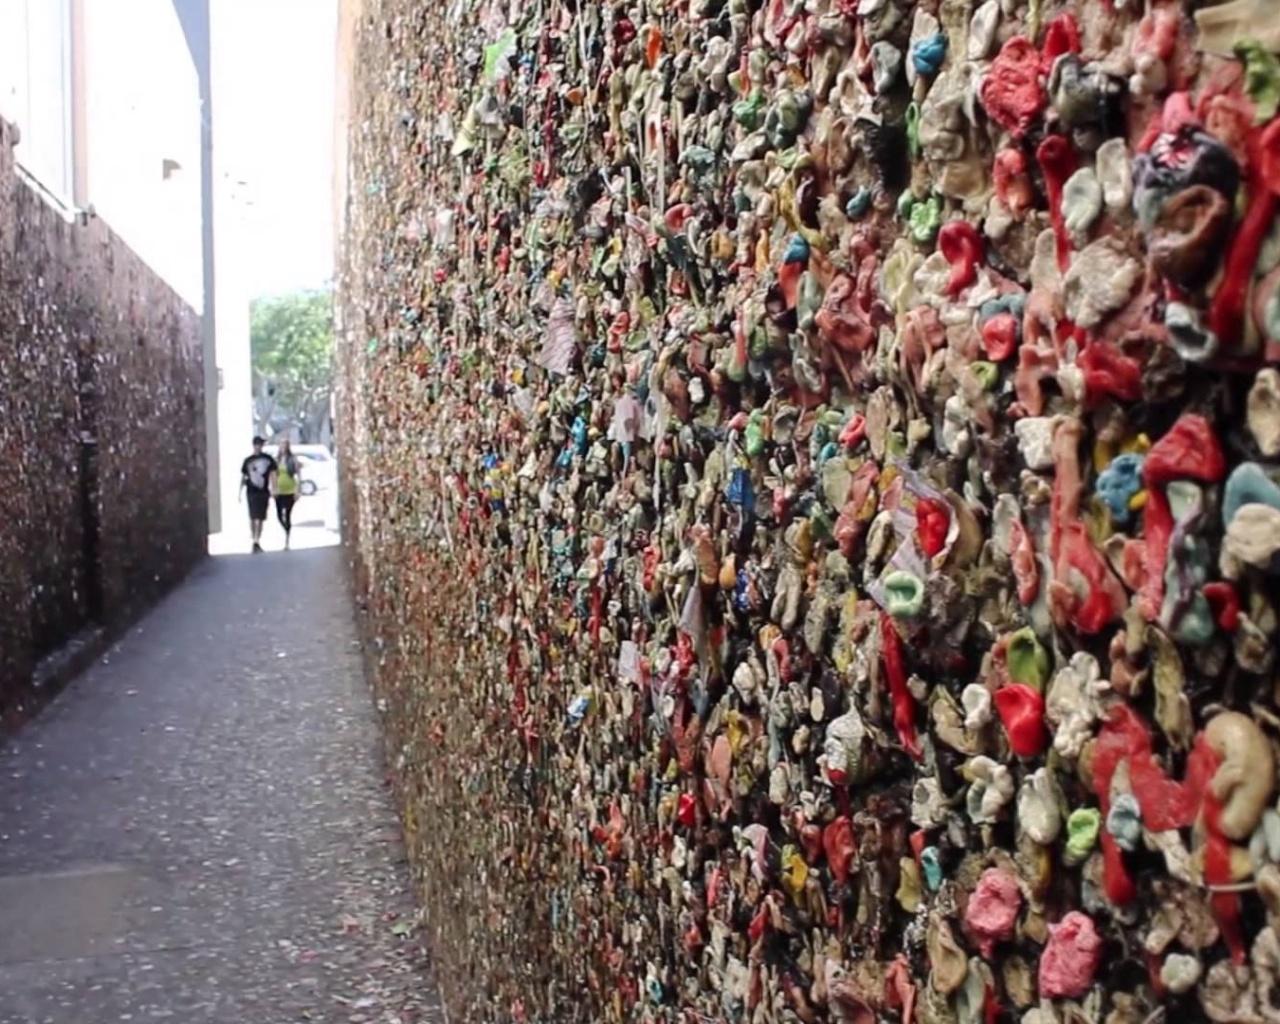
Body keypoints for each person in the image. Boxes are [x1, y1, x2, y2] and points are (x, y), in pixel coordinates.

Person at [239, 436, 277, 553]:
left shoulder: (268, 459)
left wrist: (274, 488)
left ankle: (257, 540)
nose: (259, 447)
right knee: (252, 516)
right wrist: (239, 492)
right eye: (258, 444)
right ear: (254, 445)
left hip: (263, 491)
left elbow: (273, 474)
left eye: (260, 445)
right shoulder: (248, 460)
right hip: (251, 491)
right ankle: (254, 538)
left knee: (260, 517)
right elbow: (243, 476)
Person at [274, 439, 301, 549]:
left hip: (290, 490)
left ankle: (287, 540)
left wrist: (297, 490)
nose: (283, 447)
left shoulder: (292, 459)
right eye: (281, 445)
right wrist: (273, 488)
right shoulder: (276, 460)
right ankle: (286, 529)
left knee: (288, 514)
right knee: (279, 515)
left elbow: (298, 474)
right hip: (279, 490)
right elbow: (273, 475)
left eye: (285, 445)